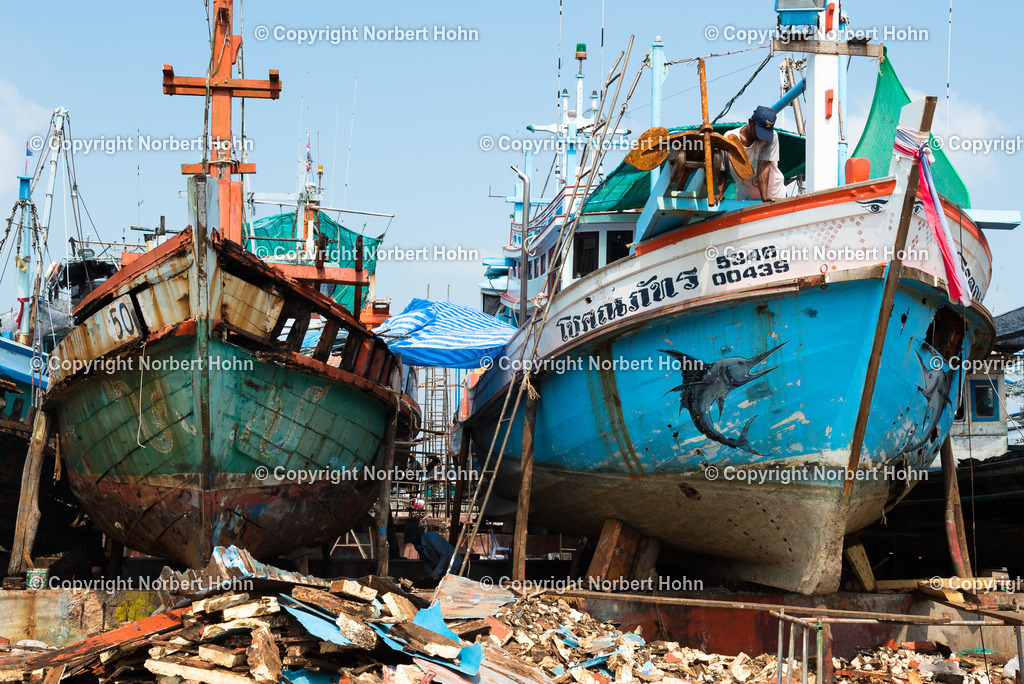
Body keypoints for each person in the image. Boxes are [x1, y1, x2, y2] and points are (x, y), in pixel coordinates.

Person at [714, 105, 786, 204]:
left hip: (773, 195)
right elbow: (722, 169)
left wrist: (764, 197)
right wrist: (719, 193)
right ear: (751, 122)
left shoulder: (772, 137)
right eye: (760, 132)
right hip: (745, 197)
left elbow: (763, 167)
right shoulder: (729, 138)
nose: (762, 137)